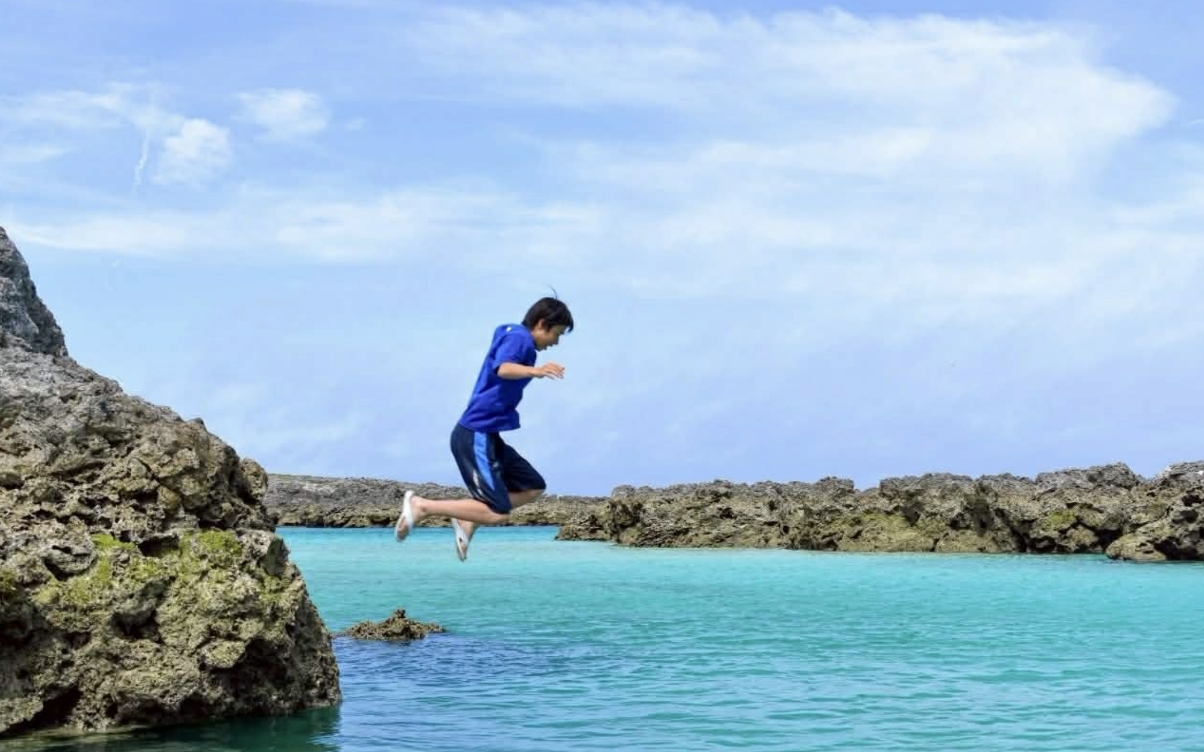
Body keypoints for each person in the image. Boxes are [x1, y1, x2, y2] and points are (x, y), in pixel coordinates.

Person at [394, 296, 573, 560]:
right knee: (497, 512)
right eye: (556, 333)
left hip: (488, 435)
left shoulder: (514, 335)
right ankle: (421, 506)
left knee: (533, 486)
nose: (555, 342)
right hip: (474, 434)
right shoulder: (520, 338)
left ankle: (469, 520)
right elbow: (503, 368)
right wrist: (535, 371)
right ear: (541, 324)